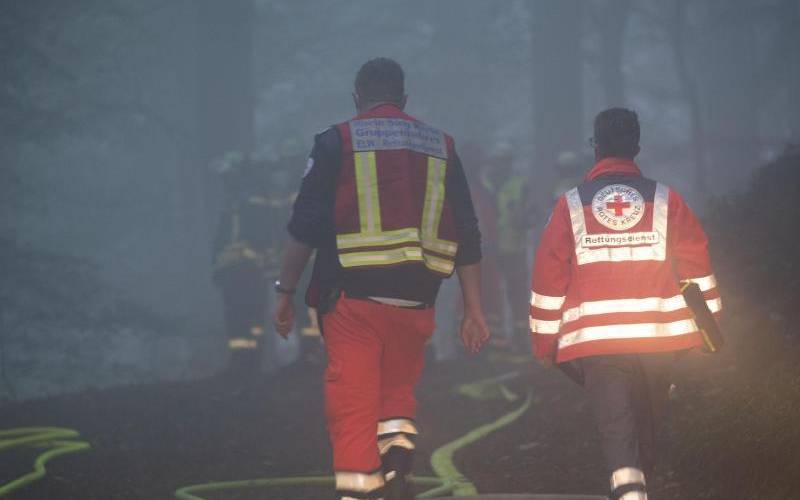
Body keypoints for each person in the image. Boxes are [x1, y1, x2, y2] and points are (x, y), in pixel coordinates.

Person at [272, 57, 490, 500]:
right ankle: (396, 466)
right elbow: (468, 231)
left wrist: (286, 291)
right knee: (396, 391)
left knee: (352, 405)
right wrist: (474, 309)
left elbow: (306, 225)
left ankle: (360, 492)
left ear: (357, 97)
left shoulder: (337, 140)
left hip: (351, 298)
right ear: (404, 98)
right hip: (417, 301)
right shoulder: (441, 145)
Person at [528, 108, 722, 500]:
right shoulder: (668, 200)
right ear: (637, 147)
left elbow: (549, 280)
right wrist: (709, 332)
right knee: (646, 425)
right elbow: (697, 269)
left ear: (595, 148)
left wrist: (544, 345)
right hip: (658, 340)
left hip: (599, 343)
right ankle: (638, 485)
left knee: (617, 424)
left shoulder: (570, 205)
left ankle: (630, 488)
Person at [212, 153, 289, 377]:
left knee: (242, 318)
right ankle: (247, 364)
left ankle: (245, 365)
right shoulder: (246, 197)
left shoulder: (247, 198)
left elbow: (248, 236)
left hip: (242, 270)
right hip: (244, 270)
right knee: (249, 319)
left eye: (227, 175)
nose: (225, 181)